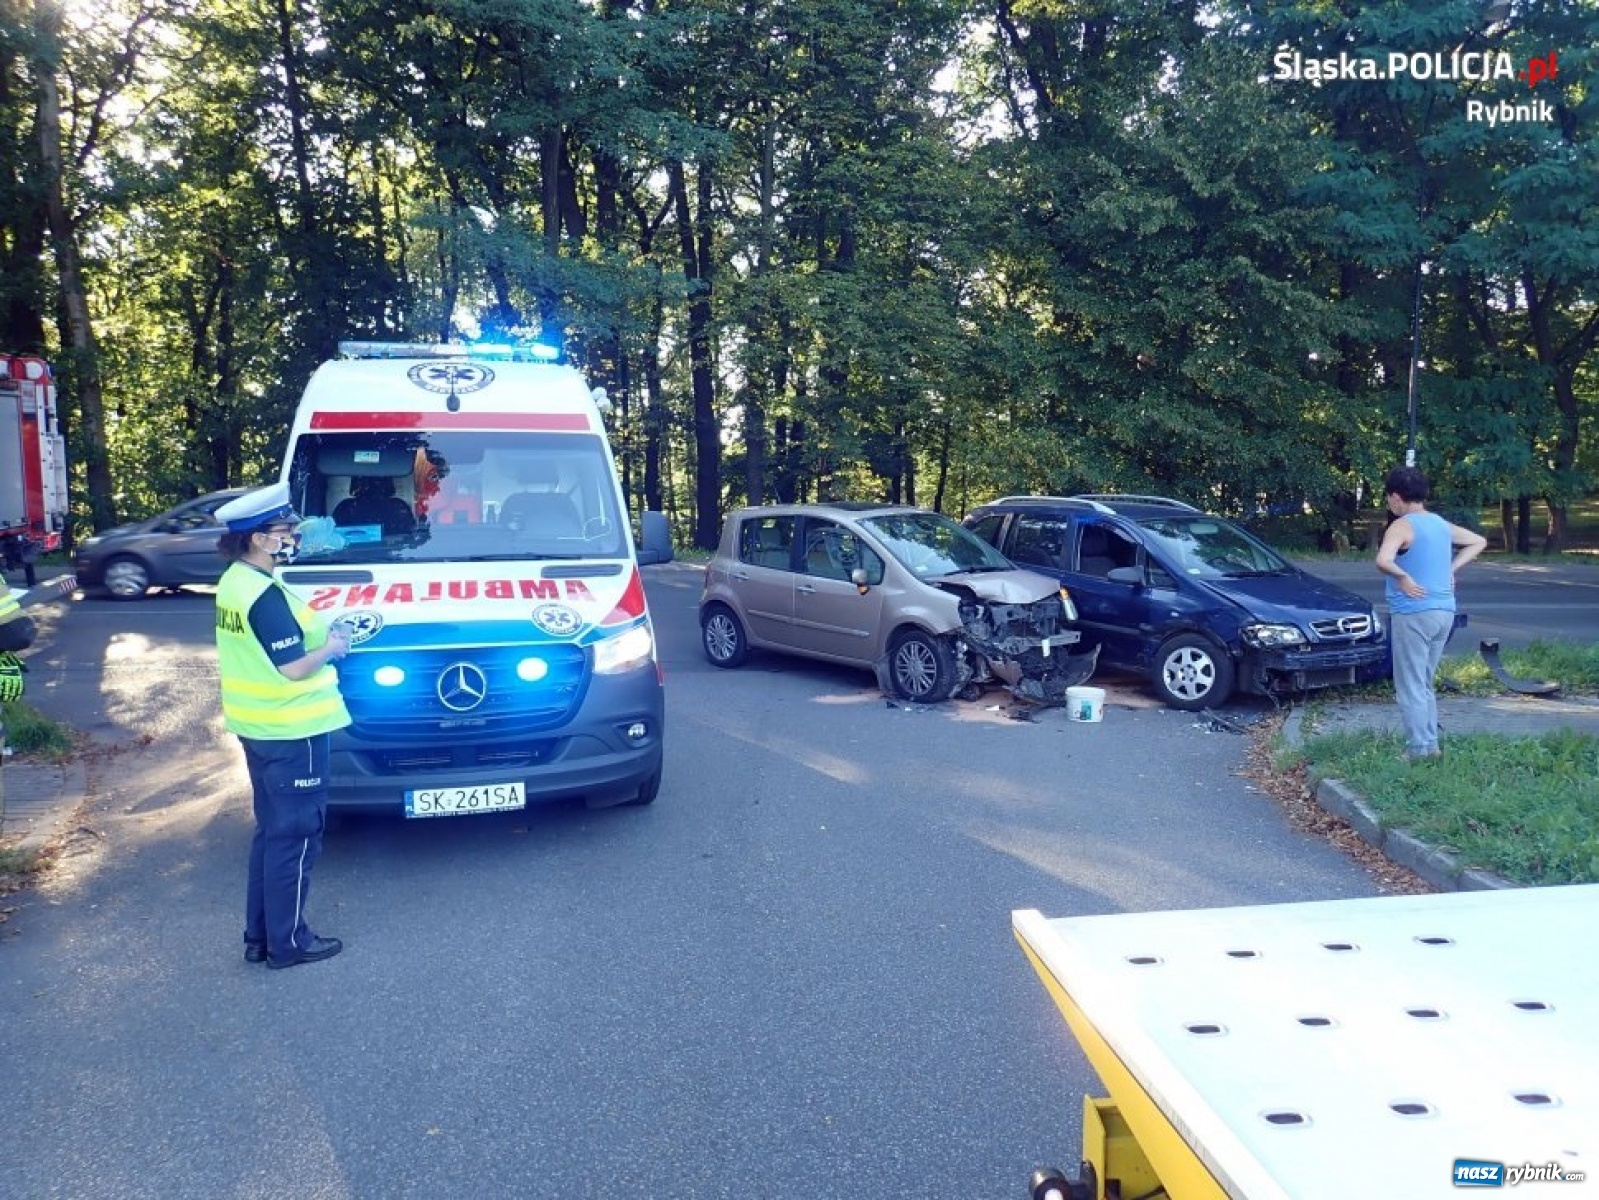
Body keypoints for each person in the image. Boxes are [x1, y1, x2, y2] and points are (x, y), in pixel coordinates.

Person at [214, 482, 352, 969]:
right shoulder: (264, 596)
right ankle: (289, 943)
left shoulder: (235, 581)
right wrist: (332, 647)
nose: (292, 535)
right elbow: (293, 668)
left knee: (272, 833)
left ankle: (260, 936)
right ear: (258, 539)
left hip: (260, 726)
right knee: (296, 838)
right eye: (283, 529)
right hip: (295, 731)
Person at [1374, 466, 1487, 760]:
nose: (1389, 503)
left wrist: (1402, 577)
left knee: (1410, 686)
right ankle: (1430, 746)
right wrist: (1451, 568)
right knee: (1424, 683)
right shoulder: (1440, 524)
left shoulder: (1401, 526)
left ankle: (1417, 750)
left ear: (1396, 497)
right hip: (1444, 612)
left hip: (1413, 613)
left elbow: (1383, 560)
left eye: (1388, 498)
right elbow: (1478, 541)